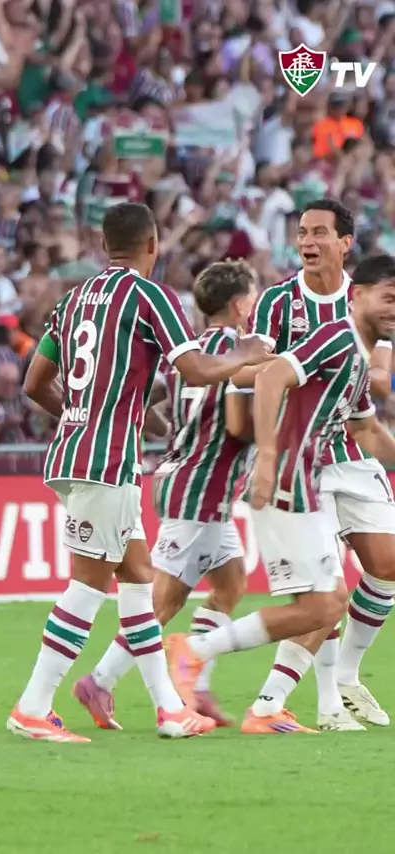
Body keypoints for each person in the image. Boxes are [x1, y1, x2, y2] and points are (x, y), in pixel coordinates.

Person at [7, 201, 271, 743]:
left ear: (106, 246)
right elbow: (195, 369)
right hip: (104, 462)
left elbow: (34, 383)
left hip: (78, 453)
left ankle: (169, 709)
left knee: (136, 581)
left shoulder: (72, 299)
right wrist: (243, 353)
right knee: (86, 587)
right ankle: (33, 706)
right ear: (153, 245)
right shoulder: (151, 296)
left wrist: (82, 418)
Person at [166, 254, 395, 734]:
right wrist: (269, 457)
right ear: (357, 296)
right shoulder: (337, 337)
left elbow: (366, 430)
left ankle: (267, 708)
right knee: (323, 605)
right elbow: (269, 376)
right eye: (388, 298)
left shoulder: (356, 354)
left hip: (304, 479)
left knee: (328, 602)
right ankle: (196, 652)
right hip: (288, 479)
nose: (394, 310)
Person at [73, 259, 259, 730]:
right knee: (161, 603)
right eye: (252, 298)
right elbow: (239, 424)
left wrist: (171, 431)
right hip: (199, 488)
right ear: (240, 305)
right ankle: (99, 681)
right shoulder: (237, 354)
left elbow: (150, 396)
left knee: (231, 583)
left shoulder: (190, 353)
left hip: (193, 482)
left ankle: (196, 685)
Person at [240, 200, 395, 731]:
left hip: (354, 449)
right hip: (301, 456)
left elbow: (378, 381)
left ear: (345, 243)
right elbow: (250, 369)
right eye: (302, 232)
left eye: (319, 232)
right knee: (326, 590)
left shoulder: (371, 297)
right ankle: (298, 704)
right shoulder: (278, 301)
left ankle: (346, 677)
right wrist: (298, 364)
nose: (307, 241)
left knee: (387, 564)